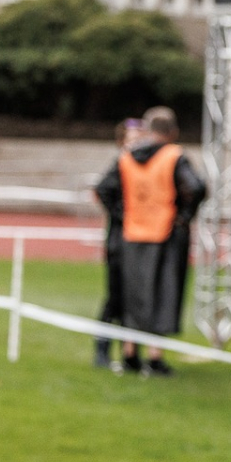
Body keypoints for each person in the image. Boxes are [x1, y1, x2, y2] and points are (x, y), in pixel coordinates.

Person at [94, 107, 204, 375]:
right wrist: (183, 216)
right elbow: (197, 187)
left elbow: (103, 189)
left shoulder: (126, 157)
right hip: (164, 234)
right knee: (161, 295)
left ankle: (130, 354)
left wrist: (125, 214)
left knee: (134, 295)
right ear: (173, 132)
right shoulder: (174, 156)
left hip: (132, 233)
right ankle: (155, 358)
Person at [93, 117, 143, 371]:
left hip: (138, 242)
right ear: (121, 142)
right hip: (119, 244)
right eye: (132, 140)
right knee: (114, 299)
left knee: (136, 300)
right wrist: (124, 214)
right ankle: (101, 350)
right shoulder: (120, 167)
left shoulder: (142, 168)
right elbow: (102, 191)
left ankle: (132, 354)